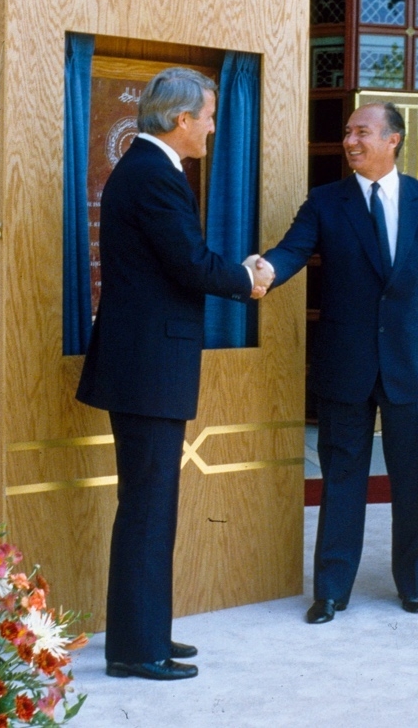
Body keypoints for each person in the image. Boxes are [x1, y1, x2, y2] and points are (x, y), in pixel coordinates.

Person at [76, 67, 273, 681]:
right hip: (147, 369)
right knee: (148, 506)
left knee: (152, 503)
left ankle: (147, 634)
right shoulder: (154, 176)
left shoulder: (150, 169)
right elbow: (189, 265)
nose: (214, 127)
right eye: (209, 116)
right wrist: (246, 279)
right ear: (180, 119)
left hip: (145, 366)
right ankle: (136, 651)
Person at [258, 101, 418, 623]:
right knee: (343, 478)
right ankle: (330, 590)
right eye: (347, 132)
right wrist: (263, 271)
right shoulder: (326, 202)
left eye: (362, 132)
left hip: (414, 364)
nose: (350, 141)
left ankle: (413, 584)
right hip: (345, 364)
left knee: (413, 480)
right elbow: (291, 250)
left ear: (393, 139)